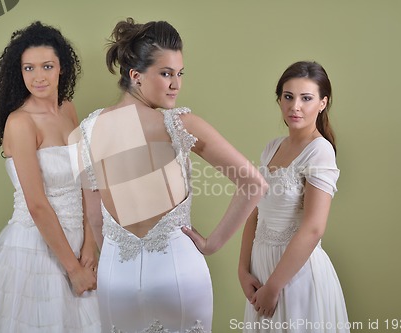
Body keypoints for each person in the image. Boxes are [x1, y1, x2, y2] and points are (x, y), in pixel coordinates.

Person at [79, 18, 268, 333]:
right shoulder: (179, 124)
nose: (176, 84)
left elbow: (95, 218)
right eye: (166, 73)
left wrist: (115, 256)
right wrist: (211, 244)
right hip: (177, 273)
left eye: (179, 74)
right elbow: (254, 183)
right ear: (136, 76)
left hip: (116, 278)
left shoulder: (88, 129)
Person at [0, 22, 101, 332]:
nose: (38, 77)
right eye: (29, 68)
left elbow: (86, 181)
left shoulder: (68, 109)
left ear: (61, 68)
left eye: (47, 66)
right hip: (39, 248)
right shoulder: (20, 123)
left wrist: (90, 246)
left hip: (80, 242)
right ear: (19, 71)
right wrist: (73, 269)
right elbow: (37, 204)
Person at [238, 61, 349, 332]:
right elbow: (254, 211)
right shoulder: (272, 147)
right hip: (261, 268)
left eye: (306, 98)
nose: (295, 106)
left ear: (323, 103)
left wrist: (275, 286)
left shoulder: (320, 151)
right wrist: (242, 269)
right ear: (279, 100)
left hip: (295, 276)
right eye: (288, 97)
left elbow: (313, 228)